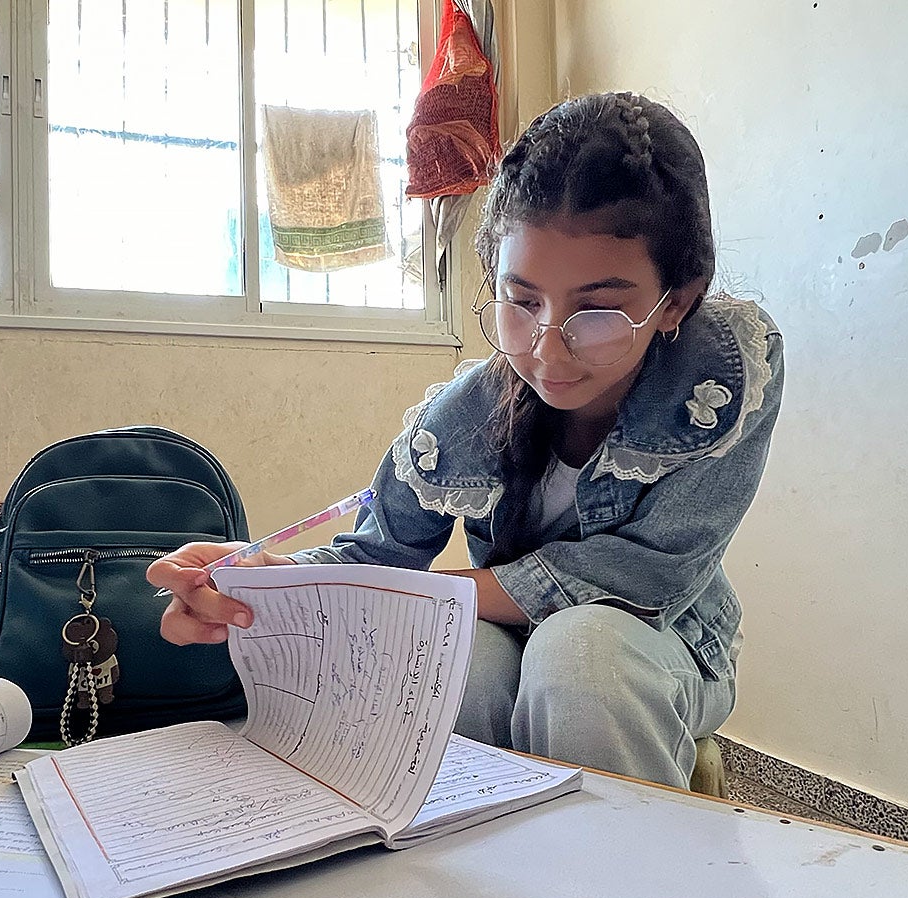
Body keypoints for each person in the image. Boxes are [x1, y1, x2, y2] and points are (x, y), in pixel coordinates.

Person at [147, 91, 785, 789]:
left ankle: (624, 861)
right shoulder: (464, 415)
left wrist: (422, 595)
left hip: (664, 639)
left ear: (677, 301)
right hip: (517, 634)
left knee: (580, 657)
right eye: (522, 302)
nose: (548, 350)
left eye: (599, 311)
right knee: (453, 663)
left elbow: (646, 575)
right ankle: (482, 854)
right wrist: (263, 582)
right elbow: (374, 554)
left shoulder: (722, 375)